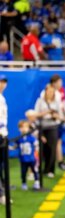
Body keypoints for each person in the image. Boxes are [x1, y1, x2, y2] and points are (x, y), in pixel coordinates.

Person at [34, 84, 63, 178]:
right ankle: (38, 169)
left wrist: (55, 116)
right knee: (41, 149)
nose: (50, 93)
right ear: (45, 91)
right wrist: (45, 112)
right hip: (42, 126)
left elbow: (60, 116)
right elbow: (35, 114)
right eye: (48, 91)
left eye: (52, 91)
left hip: (53, 126)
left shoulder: (57, 102)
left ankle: (50, 170)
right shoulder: (40, 101)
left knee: (52, 148)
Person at [10, 120, 40, 190]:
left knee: (34, 170)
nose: (23, 129)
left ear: (28, 128)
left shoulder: (31, 138)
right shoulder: (19, 138)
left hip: (32, 158)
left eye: (25, 127)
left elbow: (36, 145)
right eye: (21, 127)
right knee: (23, 172)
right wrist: (10, 148)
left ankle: (37, 182)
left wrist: (36, 153)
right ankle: (24, 183)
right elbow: (16, 146)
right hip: (23, 159)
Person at [0, 75, 8, 205]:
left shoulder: (2, 98)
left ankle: (2, 191)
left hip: (3, 133)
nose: (2, 84)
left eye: (4, 82)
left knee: (1, 165)